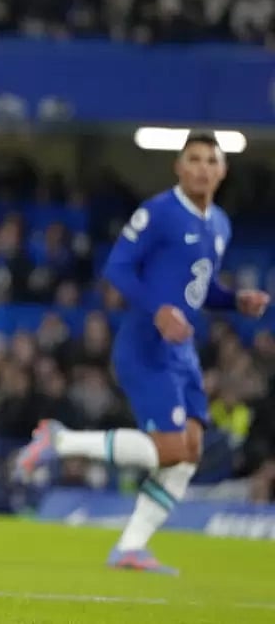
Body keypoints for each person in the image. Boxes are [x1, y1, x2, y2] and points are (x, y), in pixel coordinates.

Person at [15, 133, 270, 573]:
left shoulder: (220, 224)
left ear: (223, 170)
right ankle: (61, 440)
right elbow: (117, 267)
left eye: (212, 160)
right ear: (179, 166)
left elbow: (200, 288)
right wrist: (158, 310)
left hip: (182, 349)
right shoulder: (159, 212)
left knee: (188, 453)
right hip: (145, 346)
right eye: (195, 159)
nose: (203, 167)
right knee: (169, 449)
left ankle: (130, 547)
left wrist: (234, 301)